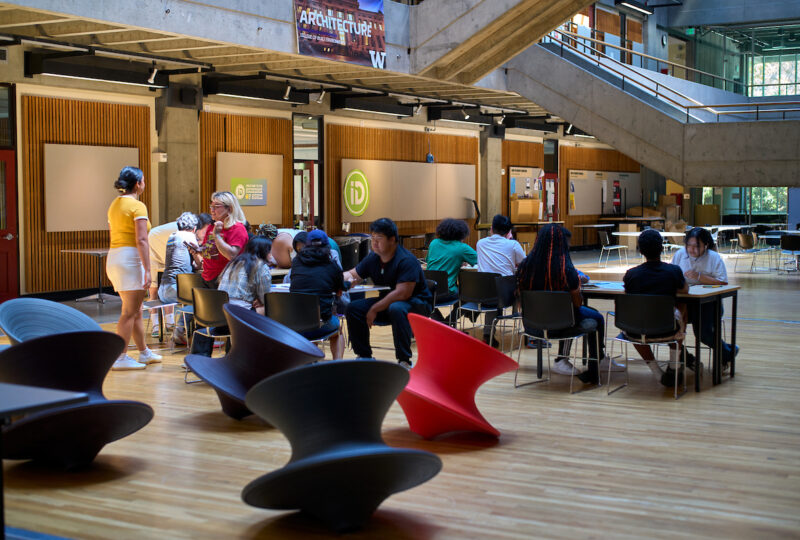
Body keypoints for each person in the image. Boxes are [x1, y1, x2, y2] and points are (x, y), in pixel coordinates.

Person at [516, 224, 605, 384]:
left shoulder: (524, 266)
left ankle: (567, 360)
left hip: (532, 325)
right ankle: (595, 366)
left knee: (573, 312)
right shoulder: (566, 270)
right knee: (597, 318)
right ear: (562, 243)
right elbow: (577, 304)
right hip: (564, 326)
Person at [344, 217, 432, 368]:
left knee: (397, 308)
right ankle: (364, 356)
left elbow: (402, 294)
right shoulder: (373, 258)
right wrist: (343, 279)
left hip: (416, 304)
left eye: (379, 238)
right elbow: (353, 273)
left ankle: (404, 360)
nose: (375, 242)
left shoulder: (406, 260)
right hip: (388, 303)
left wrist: (374, 308)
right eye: (373, 238)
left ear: (392, 240)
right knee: (354, 308)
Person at [105, 166, 162, 370]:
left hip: (115, 257)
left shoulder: (114, 204)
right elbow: (142, 239)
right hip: (130, 259)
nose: (144, 184)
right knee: (129, 312)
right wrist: (147, 269)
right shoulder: (138, 206)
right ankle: (120, 357)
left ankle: (144, 352)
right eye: (144, 180)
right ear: (138, 183)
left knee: (135, 309)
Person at [624, 229, 690, 386]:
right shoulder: (673, 271)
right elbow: (685, 290)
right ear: (662, 248)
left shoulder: (631, 274)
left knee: (633, 325)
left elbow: (628, 294)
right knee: (682, 305)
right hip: (668, 327)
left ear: (640, 251)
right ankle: (674, 364)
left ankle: (657, 372)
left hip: (637, 329)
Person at [190, 236, 273, 356]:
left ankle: (234, 353)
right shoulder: (261, 266)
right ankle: (261, 354)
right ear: (265, 251)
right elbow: (266, 298)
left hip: (218, 315)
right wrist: (259, 300)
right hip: (237, 317)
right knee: (269, 310)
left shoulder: (234, 263)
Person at [671, 226, 738, 369]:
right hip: (685, 301)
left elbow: (723, 281)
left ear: (706, 245)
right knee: (670, 330)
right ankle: (688, 360)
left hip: (709, 302)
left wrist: (700, 277)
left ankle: (727, 352)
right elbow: (672, 275)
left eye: (696, 246)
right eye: (689, 245)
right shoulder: (679, 255)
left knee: (703, 334)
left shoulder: (713, 257)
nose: (691, 249)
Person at [290, 229, 345, 359]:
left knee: (310, 318)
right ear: (327, 246)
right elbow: (340, 290)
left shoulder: (296, 263)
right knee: (337, 329)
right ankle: (337, 365)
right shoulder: (331, 265)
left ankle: (312, 361)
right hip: (319, 325)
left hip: (293, 325)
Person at [475, 214, 525, 345]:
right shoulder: (513, 244)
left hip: (483, 291)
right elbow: (524, 263)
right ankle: (530, 334)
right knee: (524, 293)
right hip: (506, 293)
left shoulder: (480, 243)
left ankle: (487, 334)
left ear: (491, 228)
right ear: (509, 231)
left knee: (492, 297)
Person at [189, 192, 249, 288]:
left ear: (229, 208)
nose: (212, 210)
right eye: (211, 206)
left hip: (227, 280)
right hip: (208, 278)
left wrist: (217, 235)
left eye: (216, 206)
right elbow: (211, 253)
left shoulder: (237, 228)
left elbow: (232, 255)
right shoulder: (212, 226)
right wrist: (199, 251)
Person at [157, 212, 200, 345]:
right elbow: (200, 262)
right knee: (200, 301)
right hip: (175, 289)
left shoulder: (172, 236)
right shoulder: (189, 237)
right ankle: (180, 330)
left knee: (193, 299)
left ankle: (181, 330)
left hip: (162, 289)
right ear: (194, 229)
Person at [425, 218, 477, 323]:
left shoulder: (434, 243)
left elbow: (430, 260)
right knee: (469, 295)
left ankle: (443, 326)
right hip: (447, 292)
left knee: (428, 301)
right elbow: (480, 261)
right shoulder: (462, 248)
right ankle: (448, 324)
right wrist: (461, 260)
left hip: (428, 290)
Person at [146, 220, 178, 335]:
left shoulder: (185, 228)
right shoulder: (186, 229)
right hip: (152, 248)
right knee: (153, 289)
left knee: (168, 286)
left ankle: (170, 322)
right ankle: (156, 325)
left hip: (164, 250)